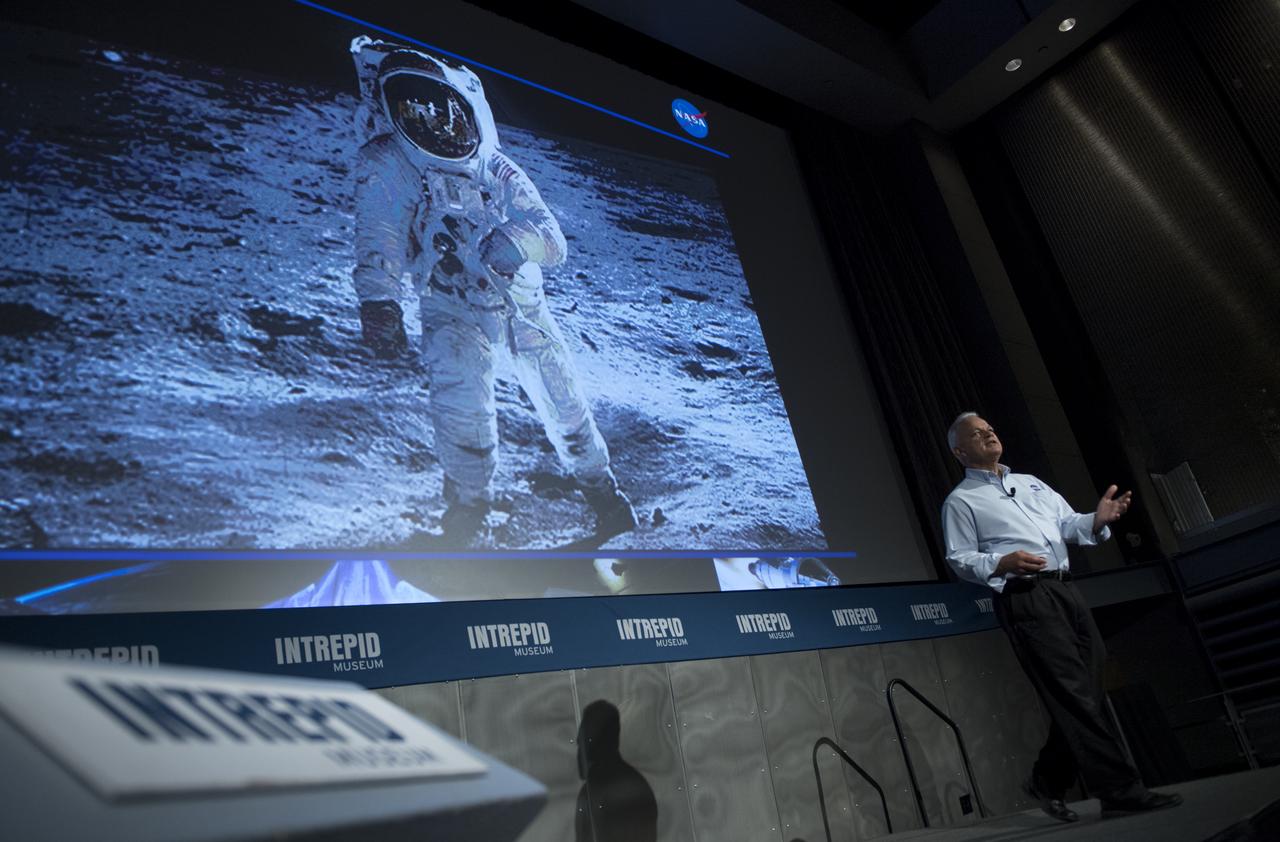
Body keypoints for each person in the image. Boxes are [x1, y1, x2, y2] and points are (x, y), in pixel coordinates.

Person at [348, 37, 635, 545]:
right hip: (449, 303)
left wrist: (513, 241)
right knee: (463, 414)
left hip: (520, 306)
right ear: (394, 110)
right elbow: (381, 240)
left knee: (565, 406)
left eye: (442, 111)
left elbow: (552, 238)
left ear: (466, 109)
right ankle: (467, 511)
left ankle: (604, 496)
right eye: (416, 110)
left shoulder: (495, 167)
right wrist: (380, 303)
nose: (434, 123)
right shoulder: (390, 164)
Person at [941, 412, 1181, 822]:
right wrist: (1001, 562)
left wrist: (1097, 520)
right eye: (977, 434)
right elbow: (959, 558)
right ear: (961, 452)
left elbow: (1070, 524)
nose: (989, 434)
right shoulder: (961, 501)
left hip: (1066, 589)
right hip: (1027, 597)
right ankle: (1120, 790)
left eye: (991, 429)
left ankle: (1047, 780)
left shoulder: (1030, 482)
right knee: (1073, 693)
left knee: (1088, 686)